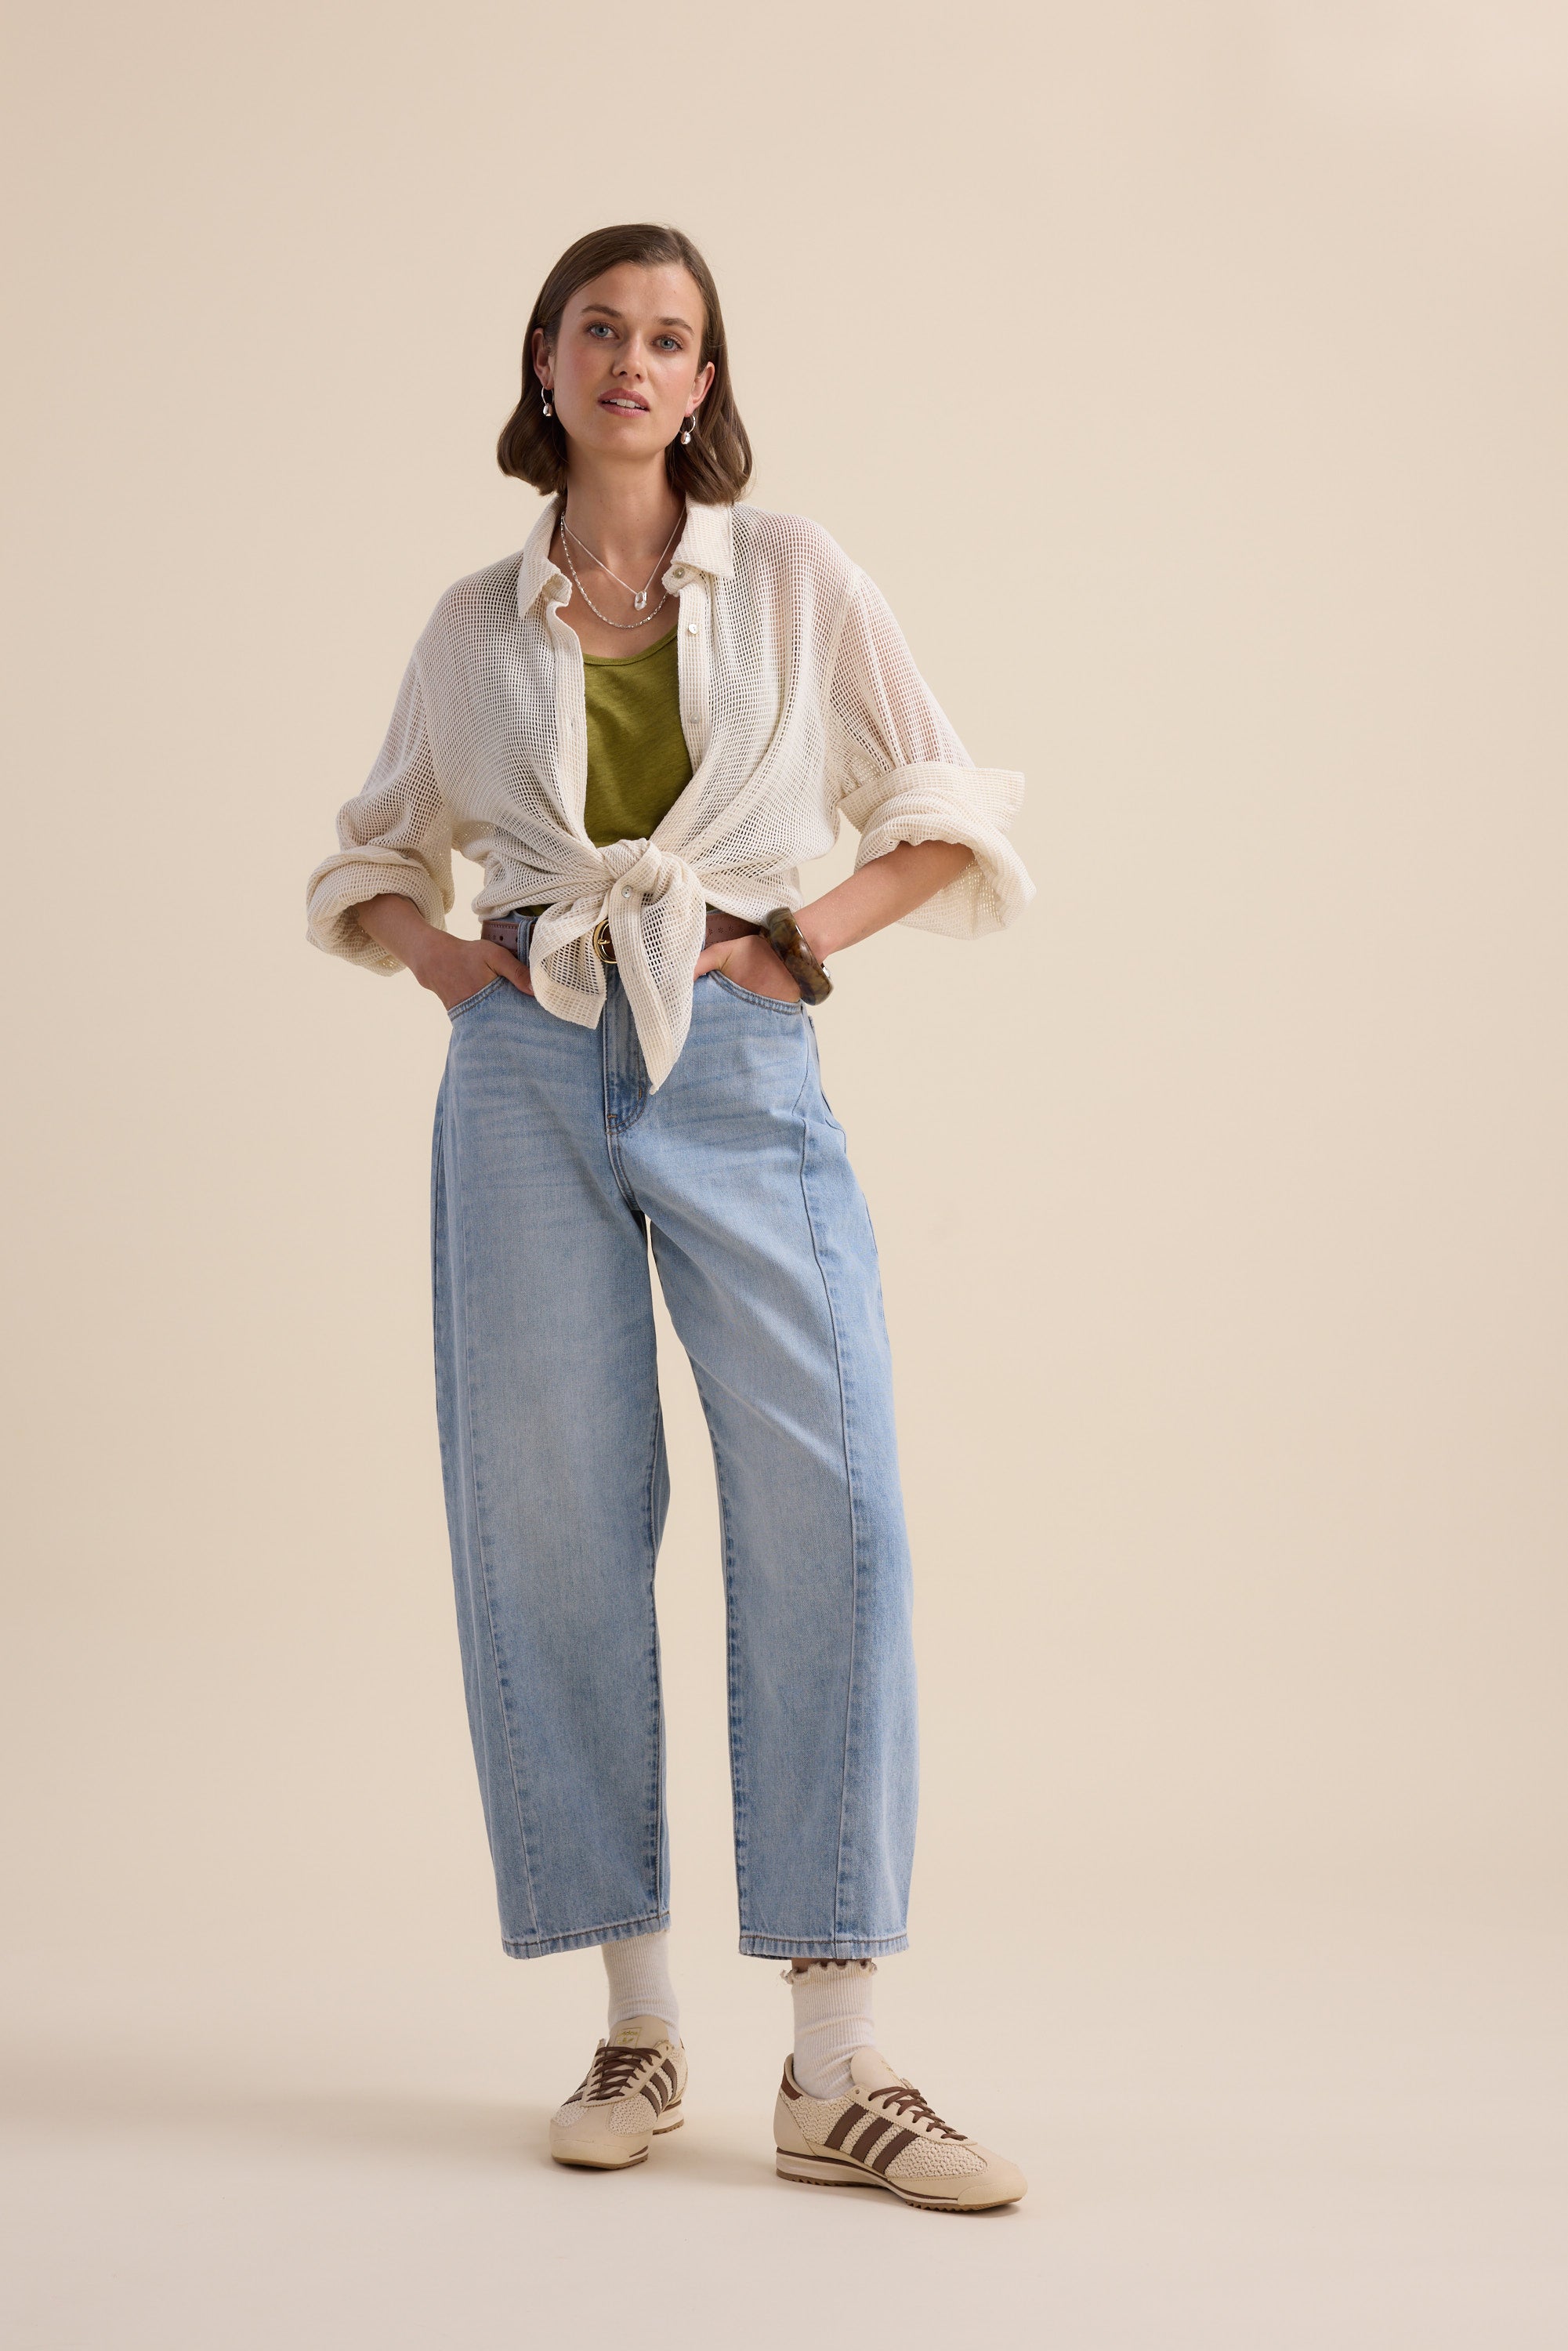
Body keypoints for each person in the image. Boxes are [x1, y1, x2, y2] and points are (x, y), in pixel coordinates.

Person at [306, 223, 1034, 2212]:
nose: (636, 364)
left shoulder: (790, 577)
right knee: (549, 1507)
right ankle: (635, 2022)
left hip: (733, 1044)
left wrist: (800, 940)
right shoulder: (474, 622)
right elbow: (370, 851)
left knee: (835, 1492)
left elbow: (945, 797)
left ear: (706, 385)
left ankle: (833, 2062)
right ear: (542, 363)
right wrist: (454, 968)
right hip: (526, 1059)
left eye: (674, 339)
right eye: (601, 331)